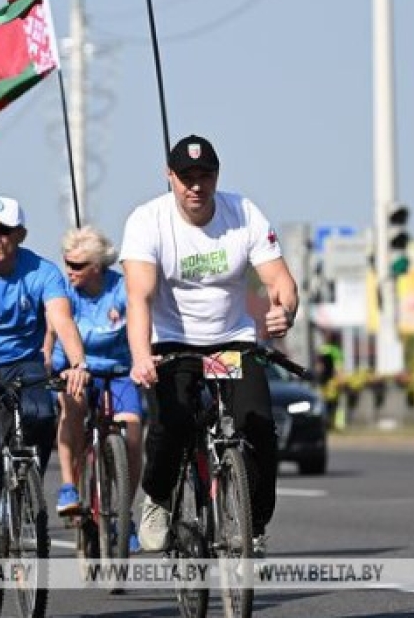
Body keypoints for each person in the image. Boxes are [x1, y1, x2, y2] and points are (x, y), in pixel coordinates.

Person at [121, 135, 298, 557]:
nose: (196, 186)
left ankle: (253, 523)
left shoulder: (244, 213)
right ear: (170, 178)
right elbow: (139, 297)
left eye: (205, 176)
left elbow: (280, 281)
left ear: (217, 177)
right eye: (186, 177)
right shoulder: (148, 221)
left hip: (229, 344)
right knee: (174, 426)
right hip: (173, 344)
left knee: (258, 427)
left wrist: (285, 310)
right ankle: (159, 497)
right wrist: (142, 355)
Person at [0, 196, 86, 543]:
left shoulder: (43, 272)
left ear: (21, 234)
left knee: (41, 417)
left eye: (3, 230)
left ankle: (25, 483)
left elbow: (61, 319)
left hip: (23, 364)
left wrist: (77, 363)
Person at [48, 225, 143, 552]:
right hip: (76, 369)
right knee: (72, 406)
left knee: (132, 431)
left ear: (97, 267)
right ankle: (69, 487)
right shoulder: (65, 291)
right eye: (66, 263)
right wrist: (51, 363)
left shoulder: (121, 289)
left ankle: (124, 516)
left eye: (77, 265)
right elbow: (53, 329)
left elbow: (141, 324)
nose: (69, 271)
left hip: (118, 370)